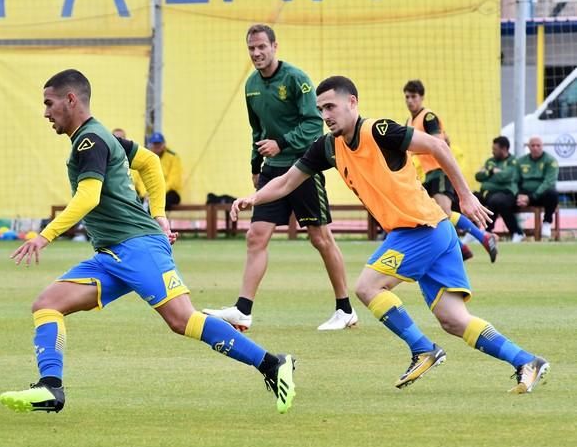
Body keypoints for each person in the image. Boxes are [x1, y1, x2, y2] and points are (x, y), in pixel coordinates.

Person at [0, 69, 296, 415]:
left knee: (182, 320)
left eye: (49, 104)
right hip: (112, 254)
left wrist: (45, 235)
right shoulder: (100, 137)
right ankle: (51, 388)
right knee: (47, 304)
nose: (46, 113)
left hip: (137, 247)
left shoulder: (89, 141)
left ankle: (273, 365)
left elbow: (88, 196)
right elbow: (150, 162)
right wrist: (161, 216)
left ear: (71, 100)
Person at [229, 75, 549, 393]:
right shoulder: (328, 147)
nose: (325, 115)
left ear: (352, 103)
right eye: (320, 109)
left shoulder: (380, 131)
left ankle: (422, 349)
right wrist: (253, 198)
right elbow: (285, 182)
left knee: (368, 286)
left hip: (420, 229)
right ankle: (525, 361)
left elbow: (437, 145)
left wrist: (464, 195)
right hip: (432, 231)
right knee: (453, 319)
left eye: (331, 106)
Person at [203, 24, 355, 332]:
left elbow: (314, 124)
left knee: (320, 238)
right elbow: (257, 131)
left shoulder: (297, 79)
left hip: (302, 168)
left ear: (275, 46)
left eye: (262, 47)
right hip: (272, 170)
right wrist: (256, 164)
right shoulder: (251, 86)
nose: (257, 53)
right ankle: (243, 310)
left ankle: (345, 309)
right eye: (251, 48)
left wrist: (281, 143)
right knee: (255, 236)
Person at [403, 80, 497, 262]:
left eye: (413, 96)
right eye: (407, 97)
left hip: (440, 170)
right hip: (427, 174)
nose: (410, 101)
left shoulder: (429, 117)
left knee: (443, 213)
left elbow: (437, 143)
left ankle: (482, 238)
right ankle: (463, 248)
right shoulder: (409, 121)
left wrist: (411, 149)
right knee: (433, 215)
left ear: (421, 97)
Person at [474, 136, 523, 243]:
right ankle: (474, 232)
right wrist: (492, 171)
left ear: (504, 149)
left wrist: (488, 175)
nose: (493, 151)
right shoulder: (490, 161)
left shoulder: (513, 161)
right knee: (472, 199)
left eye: (495, 149)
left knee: (497, 201)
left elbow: (505, 177)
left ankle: (517, 232)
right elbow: (478, 176)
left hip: (508, 193)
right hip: (488, 193)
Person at [516, 136, 559, 240]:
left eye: (538, 145)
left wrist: (531, 197)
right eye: (532, 145)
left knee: (552, 193)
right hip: (524, 196)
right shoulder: (521, 161)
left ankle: (547, 222)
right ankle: (516, 231)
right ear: (529, 147)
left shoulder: (550, 160)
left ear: (542, 146)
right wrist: (518, 195)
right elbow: (515, 180)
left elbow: (549, 182)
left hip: (540, 196)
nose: (535, 148)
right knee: (503, 199)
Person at [145, 132, 182, 211]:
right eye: (155, 144)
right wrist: (144, 193)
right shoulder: (146, 157)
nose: (157, 146)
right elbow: (139, 178)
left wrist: (158, 192)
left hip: (167, 191)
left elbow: (173, 180)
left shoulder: (173, 157)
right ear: (151, 145)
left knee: (165, 201)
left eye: (159, 143)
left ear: (164, 144)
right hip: (149, 193)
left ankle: (156, 222)